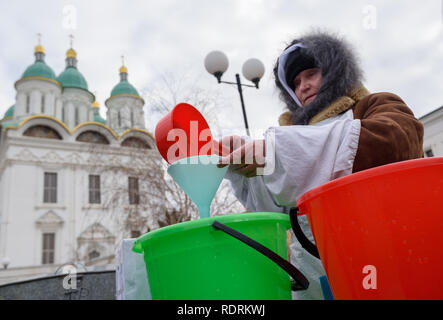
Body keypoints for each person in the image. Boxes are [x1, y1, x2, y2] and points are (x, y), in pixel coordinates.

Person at [218, 30, 424, 299]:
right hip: (313, 282)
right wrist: (249, 169)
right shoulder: (289, 139)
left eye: (311, 73)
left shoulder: (372, 105)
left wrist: (276, 153)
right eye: (295, 81)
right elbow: (275, 211)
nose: (302, 86)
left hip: (383, 266)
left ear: (335, 71)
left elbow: (398, 139)